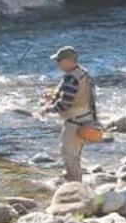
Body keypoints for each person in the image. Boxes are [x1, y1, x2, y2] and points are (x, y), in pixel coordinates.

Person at [40, 46, 96, 182]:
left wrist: (47, 109)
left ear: (67, 61)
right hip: (87, 120)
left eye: (59, 60)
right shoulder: (84, 73)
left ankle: (75, 185)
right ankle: (75, 181)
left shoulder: (71, 79)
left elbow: (64, 105)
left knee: (68, 155)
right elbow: (81, 97)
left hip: (74, 123)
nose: (57, 63)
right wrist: (54, 97)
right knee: (75, 155)